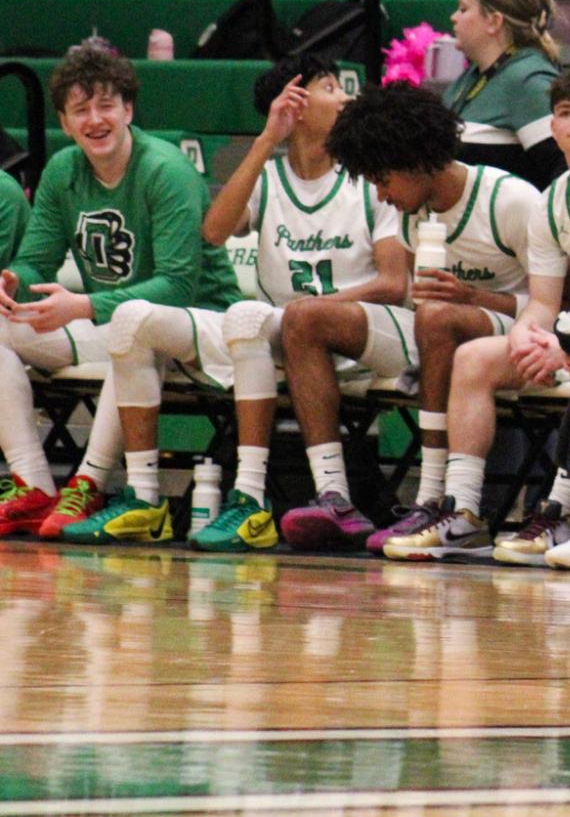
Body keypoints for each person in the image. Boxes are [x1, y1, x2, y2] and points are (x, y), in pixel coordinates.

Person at [88, 56, 404, 550]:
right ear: (295, 105)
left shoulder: (370, 179)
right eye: (328, 87)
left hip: (357, 331)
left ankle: (250, 500)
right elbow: (214, 232)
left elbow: (392, 283)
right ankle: (144, 498)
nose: (345, 98)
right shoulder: (270, 178)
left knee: (256, 316)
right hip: (277, 331)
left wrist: (315, 313)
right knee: (131, 320)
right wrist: (264, 141)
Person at [377, 69, 570, 563]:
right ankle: (462, 512)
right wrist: (527, 336)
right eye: (566, 113)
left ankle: (562, 510)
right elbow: (545, 303)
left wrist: (566, 341)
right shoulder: (552, 200)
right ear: (553, 129)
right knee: (477, 358)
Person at [276, 85, 537, 552]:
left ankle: (435, 499)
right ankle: (335, 496)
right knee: (302, 318)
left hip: (518, 335)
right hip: (438, 333)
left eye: (383, 179)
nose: (382, 194)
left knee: (437, 316)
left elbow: (563, 308)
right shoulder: (413, 212)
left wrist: (472, 297)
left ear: (416, 159)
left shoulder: (509, 200)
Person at [0, 44, 238, 538]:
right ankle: (33, 483)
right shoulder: (64, 171)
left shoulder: (166, 171)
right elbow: (35, 259)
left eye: (106, 105)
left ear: (128, 110)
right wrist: (11, 280)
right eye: (80, 110)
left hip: (202, 325)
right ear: (64, 122)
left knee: (136, 327)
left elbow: (176, 285)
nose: (95, 119)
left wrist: (81, 306)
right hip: (111, 324)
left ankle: (88, 483)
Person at [445, 0, 563, 188]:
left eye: (463, 9)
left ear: (494, 21)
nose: (453, 17)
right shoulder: (471, 76)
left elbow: (564, 174)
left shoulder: (528, 81)